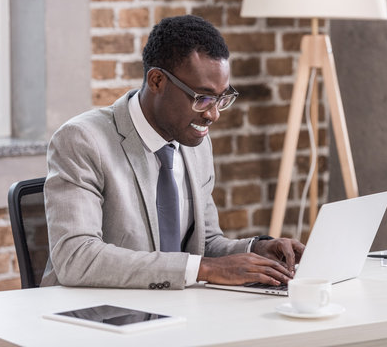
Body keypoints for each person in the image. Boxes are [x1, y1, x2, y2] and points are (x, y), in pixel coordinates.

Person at [40, 15, 305, 290]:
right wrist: (205, 268)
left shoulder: (195, 142)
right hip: (92, 314)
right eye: (202, 98)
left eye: (221, 98)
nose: (213, 114)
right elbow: (76, 258)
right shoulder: (83, 140)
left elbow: (204, 244)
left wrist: (256, 249)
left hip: (171, 309)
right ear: (156, 81)